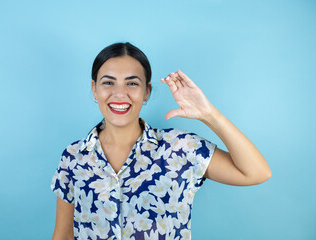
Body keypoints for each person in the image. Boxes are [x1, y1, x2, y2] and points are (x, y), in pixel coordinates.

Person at [50, 42, 272, 240]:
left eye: (132, 83)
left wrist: (209, 114)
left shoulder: (180, 148)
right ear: (94, 89)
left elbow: (256, 172)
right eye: (108, 82)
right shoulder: (73, 156)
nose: (119, 93)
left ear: (146, 92)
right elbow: (63, 234)